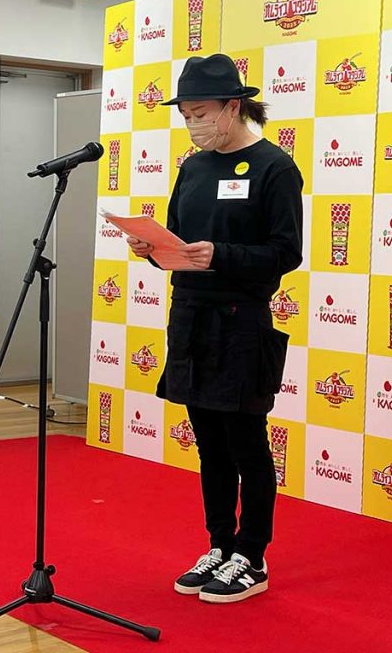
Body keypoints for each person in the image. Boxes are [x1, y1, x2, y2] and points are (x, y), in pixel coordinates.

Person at [127, 54, 303, 604]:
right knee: (208, 444)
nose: (193, 124)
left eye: (200, 113)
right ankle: (220, 545)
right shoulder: (194, 168)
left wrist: (220, 254)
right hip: (190, 316)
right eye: (185, 116)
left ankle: (252, 555)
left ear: (232, 107)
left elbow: (286, 252)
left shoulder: (275, 168)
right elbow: (178, 238)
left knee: (247, 443)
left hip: (241, 319)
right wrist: (151, 248)